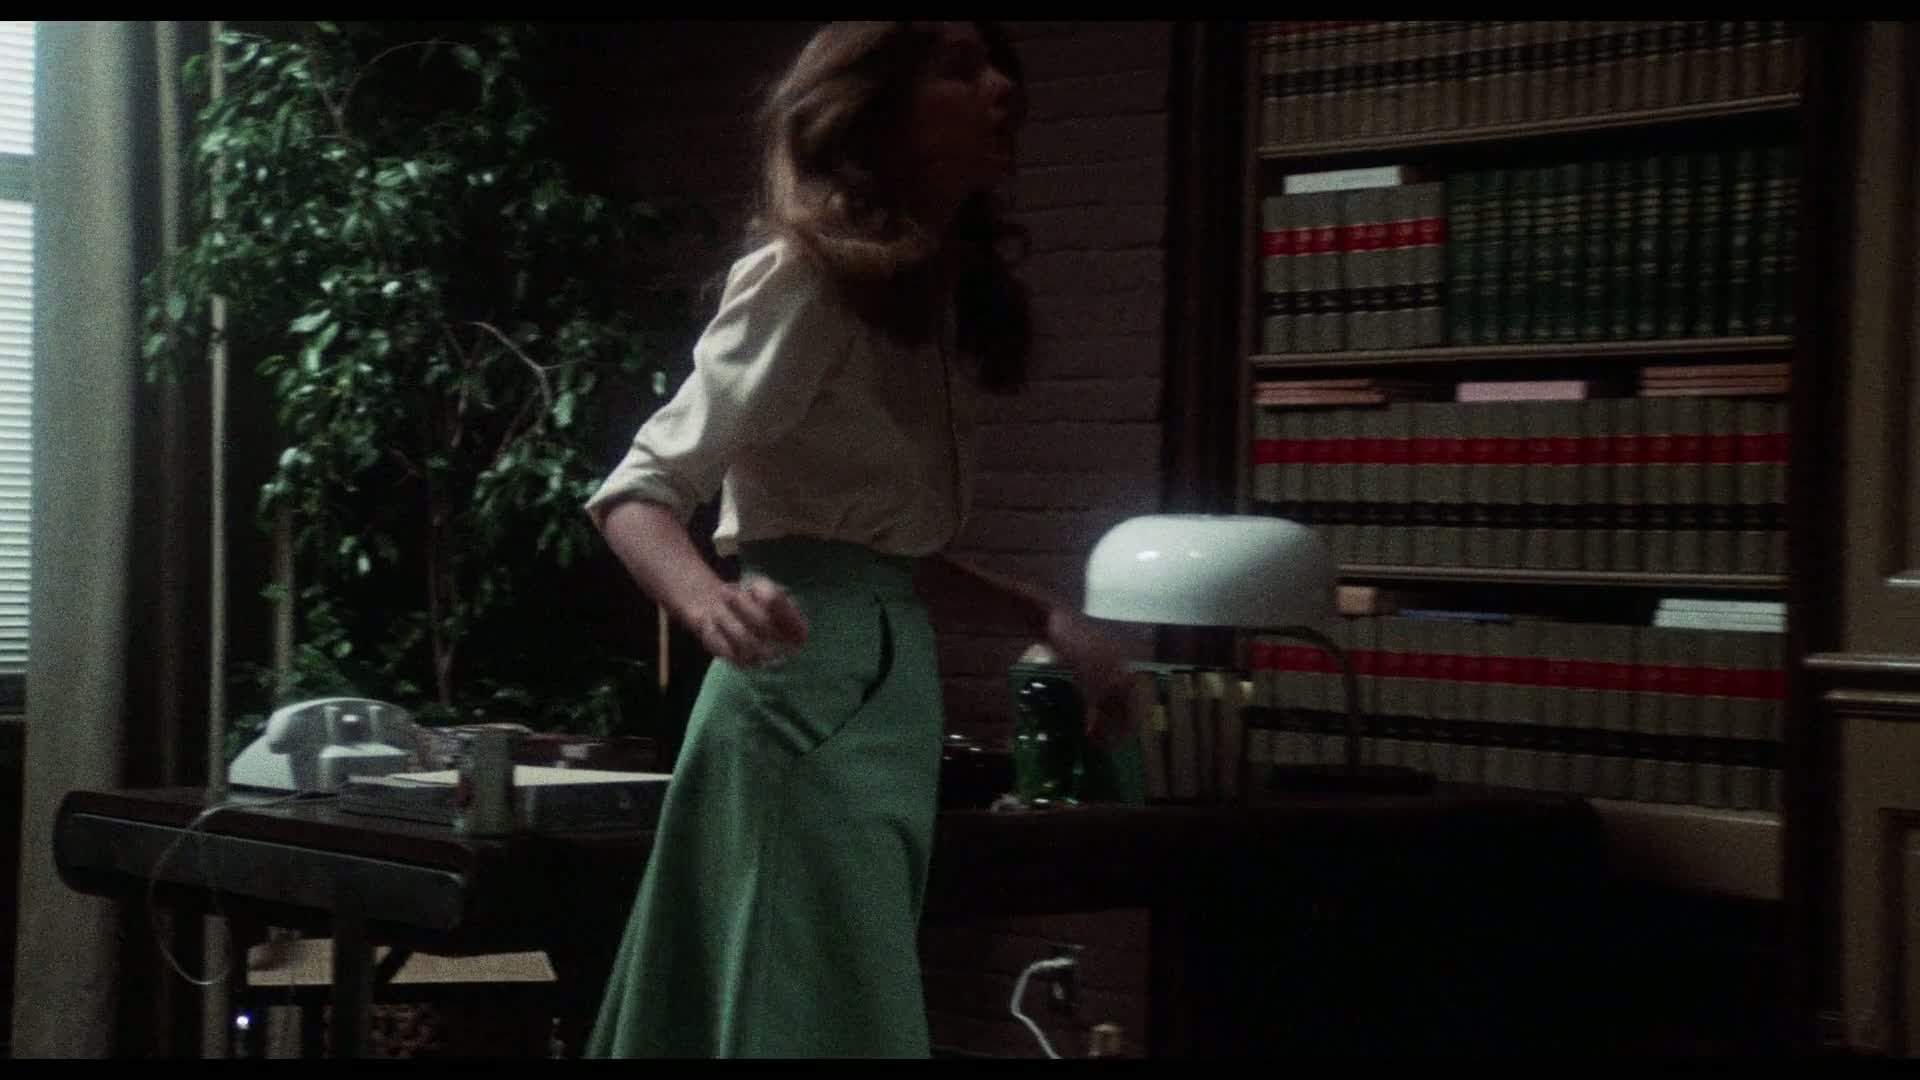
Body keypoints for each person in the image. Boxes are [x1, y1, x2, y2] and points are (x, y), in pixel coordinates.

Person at [581, 20, 1139, 1058]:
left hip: (883, 700)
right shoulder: (804, 281)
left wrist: (1049, 619)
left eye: (999, 67)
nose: (999, 90)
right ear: (875, 112)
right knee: (800, 1008)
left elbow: (881, 556)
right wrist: (707, 601)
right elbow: (638, 492)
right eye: (959, 70)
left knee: (838, 1002)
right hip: (800, 705)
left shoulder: (927, 300)